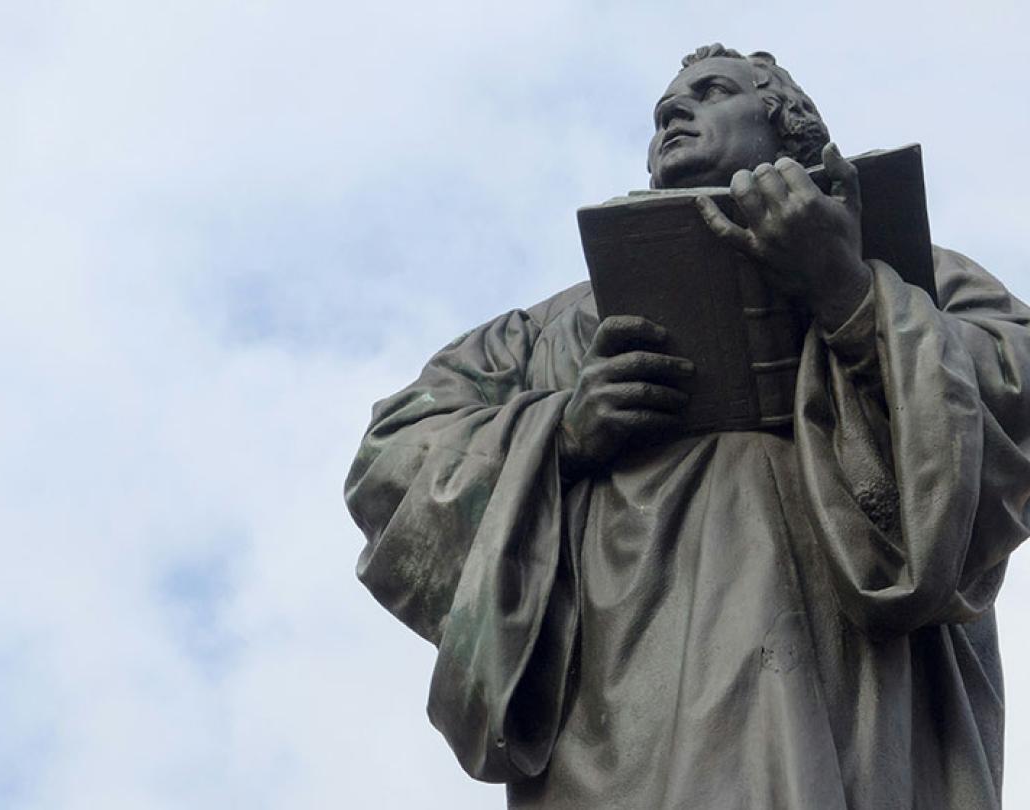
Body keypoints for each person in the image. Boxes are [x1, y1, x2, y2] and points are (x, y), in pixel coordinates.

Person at [344, 43, 1030, 809]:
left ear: (789, 131)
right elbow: (393, 456)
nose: (674, 112)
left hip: (856, 681)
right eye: (666, 107)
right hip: (631, 686)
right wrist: (558, 433)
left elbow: (1017, 386)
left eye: (711, 93)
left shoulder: (908, 270)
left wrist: (850, 295)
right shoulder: (555, 326)